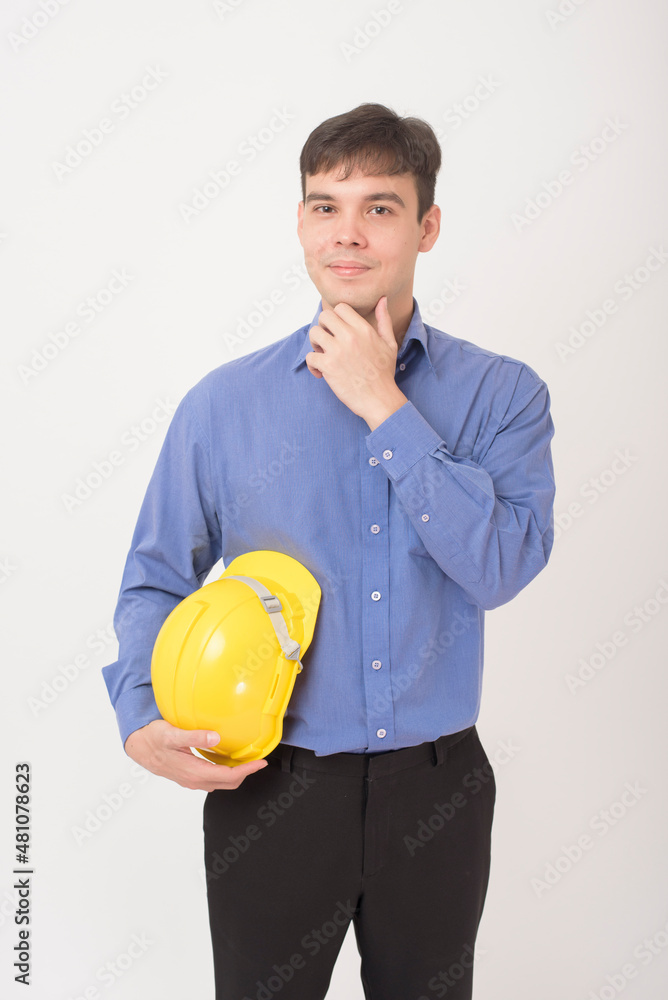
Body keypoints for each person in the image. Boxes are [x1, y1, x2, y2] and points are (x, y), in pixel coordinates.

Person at [102, 102, 555, 999]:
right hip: (271, 790)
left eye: (380, 207)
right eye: (325, 206)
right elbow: (156, 579)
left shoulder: (503, 396)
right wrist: (142, 713)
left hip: (438, 793)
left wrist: (385, 405)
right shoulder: (223, 406)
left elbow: (502, 566)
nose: (347, 232)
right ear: (302, 222)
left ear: (427, 226)